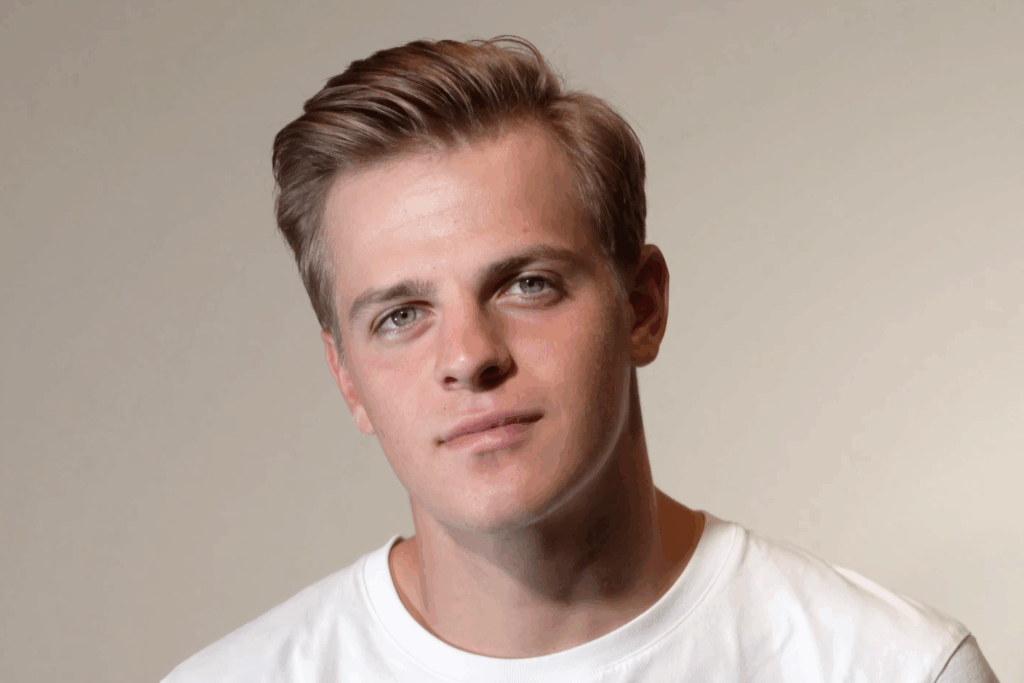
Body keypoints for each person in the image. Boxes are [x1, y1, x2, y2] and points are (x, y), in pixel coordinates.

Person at [163, 36, 999, 682]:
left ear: (642, 305)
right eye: (402, 314)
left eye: (526, 284)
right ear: (346, 375)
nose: (468, 356)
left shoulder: (889, 668)